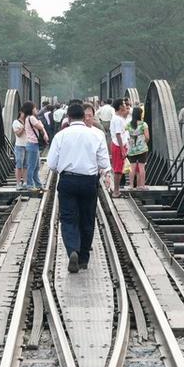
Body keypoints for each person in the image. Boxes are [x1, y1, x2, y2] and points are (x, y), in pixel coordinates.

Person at [48, 103, 110, 273]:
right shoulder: (95, 135)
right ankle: (83, 259)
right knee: (87, 219)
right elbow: (104, 163)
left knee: (68, 218)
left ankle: (72, 250)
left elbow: (51, 164)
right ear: (84, 117)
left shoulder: (60, 136)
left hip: (68, 181)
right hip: (89, 181)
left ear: (68, 117)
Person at [22, 101, 49, 191]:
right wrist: (42, 126)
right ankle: (30, 185)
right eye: (34, 108)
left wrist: (42, 128)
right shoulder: (32, 118)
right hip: (32, 144)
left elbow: (41, 127)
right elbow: (41, 126)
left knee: (36, 167)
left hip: (33, 144)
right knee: (32, 166)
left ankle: (38, 185)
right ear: (30, 109)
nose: (36, 109)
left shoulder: (29, 118)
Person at [126, 106, 150, 190]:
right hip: (142, 149)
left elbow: (125, 134)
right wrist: (144, 143)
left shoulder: (129, 124)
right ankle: (141, 186)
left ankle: (131, 185)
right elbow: (147, 137)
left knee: (132, 167)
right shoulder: (143, 124)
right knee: (141, 167)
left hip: (132, 149)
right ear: (140, 114)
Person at [109, 98, 130, 198]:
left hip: (120, 145)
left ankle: (116, 190)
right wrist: (122, 149)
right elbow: (118, 134)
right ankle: (116, 191)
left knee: (119, 169)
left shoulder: (119, 117)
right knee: (118, 170)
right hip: (118, 145)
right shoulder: (117, 119)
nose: (125, 105)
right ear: (120, 106)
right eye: (123, 104)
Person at [12, 107, 28, 190]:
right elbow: (18, 134)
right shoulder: (16, 122)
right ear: (20, 112)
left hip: (27, 145)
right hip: (19, 146)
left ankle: (25, 182)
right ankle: (18, 183)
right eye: (24, 113)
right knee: (19, 165)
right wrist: (23, 127)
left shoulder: (28, 122)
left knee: (26, 165)